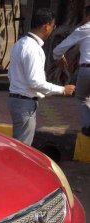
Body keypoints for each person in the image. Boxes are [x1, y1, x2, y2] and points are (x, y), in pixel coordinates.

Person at [8, 8, 75, 145]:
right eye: (53, 26)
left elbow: (11, 73)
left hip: (17, 100)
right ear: (46, 26)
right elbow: (35, 82)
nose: (53, 29)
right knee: (22, 149)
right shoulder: (33, 48)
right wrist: (62, 89)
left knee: (18, 146)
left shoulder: (20, 43)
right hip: (24, 103)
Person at [53, 5, 90, 137]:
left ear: (87, 16)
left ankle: (88, 125)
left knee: (81, 97)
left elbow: (58, 49)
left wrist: (59, 57)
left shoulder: (84, 28)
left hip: (87, 70)